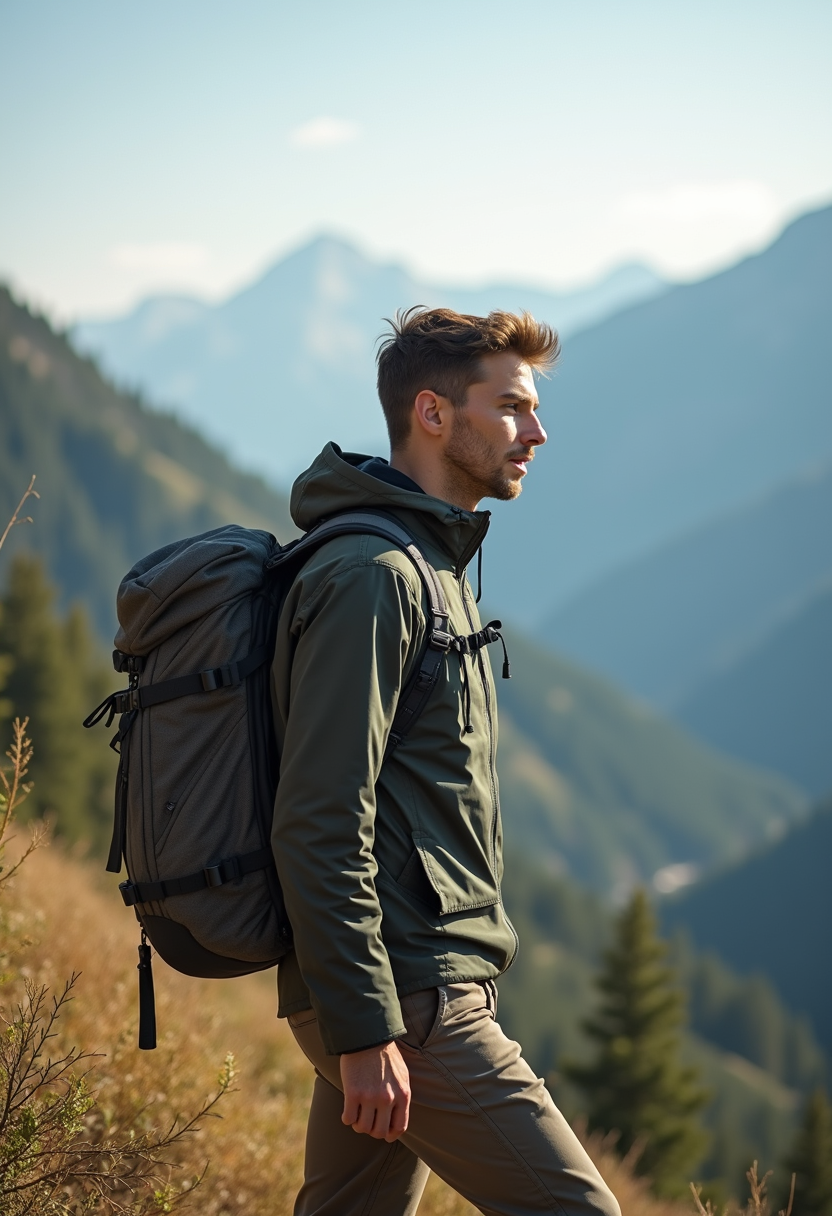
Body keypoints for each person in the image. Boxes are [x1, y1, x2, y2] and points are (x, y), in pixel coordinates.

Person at [270, 307, 621, 1216]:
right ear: (432, 414)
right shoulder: (376, 579)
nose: (536, 432)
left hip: (396, 986)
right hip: (405, 994)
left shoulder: (428, 565)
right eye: (510, 407)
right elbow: (319, 813)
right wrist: (362, 1028)